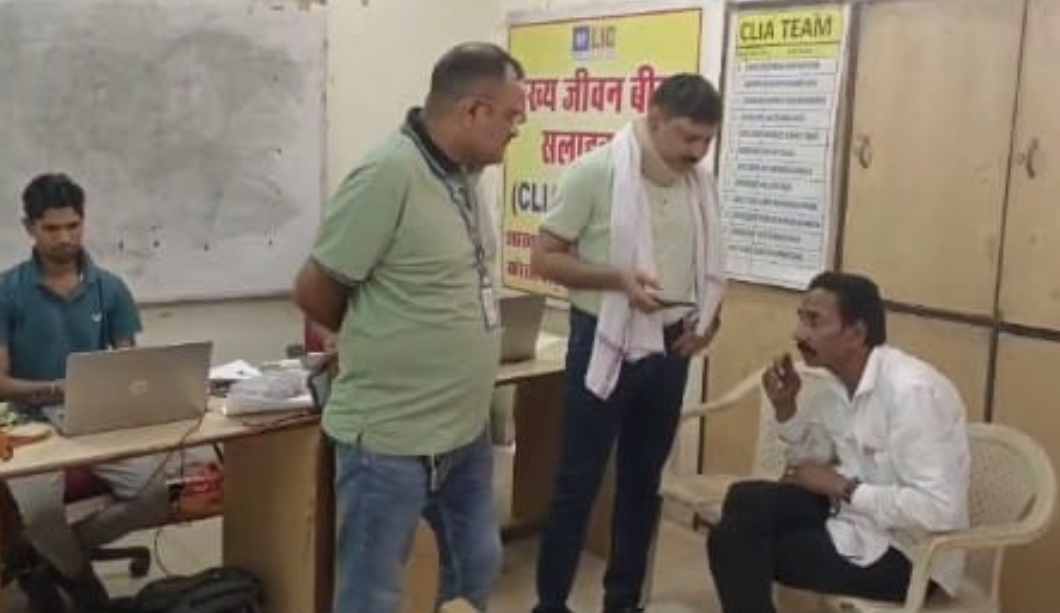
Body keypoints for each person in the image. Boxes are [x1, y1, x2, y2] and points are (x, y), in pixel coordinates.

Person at [293, 42, 526, 613]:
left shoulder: (465, 175)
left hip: (462, 430)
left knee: (475, 566)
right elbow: (315, 289)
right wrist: (372, 336)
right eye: (511, 115)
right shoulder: (388, 173)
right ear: (473, 110)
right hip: (390, 439)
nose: (517, 128)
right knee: (372, 593)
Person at [530, 73, 727, 613]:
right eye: (688, 137)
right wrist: (617, 278)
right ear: (654, 117)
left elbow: (708, 267)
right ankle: (551, 604)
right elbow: (545, 257)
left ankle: (623, 601)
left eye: (707, 140)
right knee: (578, 482)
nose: (697, 152)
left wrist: (709, 322)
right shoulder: (596, 171)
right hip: (604, 339)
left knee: (643, 484)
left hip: (671, 346)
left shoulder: (699, 185)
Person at [707, 272, 971, 613]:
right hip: (851, 516)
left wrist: (845, 488)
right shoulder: (835, 382)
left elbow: (939, 510)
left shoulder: (911, 393)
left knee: (733, 542)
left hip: (907, 553)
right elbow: (813, 462)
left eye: (814, 321)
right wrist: (786, 408)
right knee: (744, 499)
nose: (798, 334)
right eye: (801, 319)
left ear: (856, 333)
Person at [0, 173, 171, 613]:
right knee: (41, 512)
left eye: (73, 226)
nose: (64, 238)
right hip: (25, 422)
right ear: (29, 228)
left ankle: (50, 557)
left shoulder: (109, 287)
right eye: (51, 228)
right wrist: (54, 387)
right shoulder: (6, 291)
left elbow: (127, 366)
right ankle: (78, 577)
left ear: (83, 221)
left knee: (155, 494)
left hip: (95, 412)